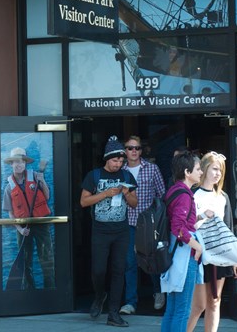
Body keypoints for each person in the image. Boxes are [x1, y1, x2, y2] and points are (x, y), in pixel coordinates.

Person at [81, 135, 138, 328]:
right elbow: (83, 202)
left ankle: (113, 313)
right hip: (100, 231)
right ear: (107, 159)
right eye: (115, 160)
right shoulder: (94, 176)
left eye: (121, 160)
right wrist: (105, 193)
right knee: (98, 270)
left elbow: (134, 203)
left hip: (121, 231)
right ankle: (99, 295)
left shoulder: (126, 176)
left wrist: (126, 193)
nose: (118, 163)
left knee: (118, 271)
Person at [186, 151, 237, 332]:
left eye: (221, 170)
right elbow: (183, 225)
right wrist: (202, 215)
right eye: (215, 169)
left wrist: (235, 259)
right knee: (198, 305)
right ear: (204, 169)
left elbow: (228, 229)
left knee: (215, 302)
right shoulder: (192, 194)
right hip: (197, 254)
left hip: (219, 254)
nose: (218, 173)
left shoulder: (223, 197)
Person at [119, 135, 166, 315]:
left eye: (137, 148)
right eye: (130, 148)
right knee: (129, 263)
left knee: (152, 260)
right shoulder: (120, 170)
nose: (134, 151)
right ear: (125, 150)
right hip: (128, 222)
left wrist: (159, 220)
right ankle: (131, 302)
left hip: (149, 223)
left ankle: (158, 291)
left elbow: (162, 195)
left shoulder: (152, 169)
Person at [160, 150, 203, 332]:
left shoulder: (174, 190)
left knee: (172, 309)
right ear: (187, 172)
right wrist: (197, 246)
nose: (201, 172)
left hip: (172, 254)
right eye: (198, 169)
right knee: (183, 310)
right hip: (184, 255)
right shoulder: (185, 195)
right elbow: (179, 228)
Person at [2, 147, 55, 290]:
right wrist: (19, 229)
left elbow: (47, 196)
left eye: (21, 162)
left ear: (25, 163)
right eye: (15, 162)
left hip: (41, 224)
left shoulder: (36, 178)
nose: (18, 165)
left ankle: (49, 290)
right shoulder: (9, 188)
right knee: (26, 261)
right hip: (23, 227)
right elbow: (11, 213)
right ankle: (29, 290)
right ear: (11, 165)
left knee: (46, 258)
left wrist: (42, 181)